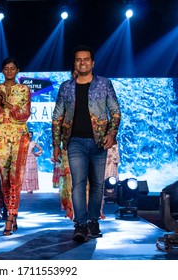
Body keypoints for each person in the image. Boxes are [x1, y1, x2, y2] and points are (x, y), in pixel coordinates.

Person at [52, 45, 121, 242]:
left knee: (98, 185)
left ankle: (93, 220)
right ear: (75, 63)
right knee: (78, 183)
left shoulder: (104, 84)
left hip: (99, 142)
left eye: (86, 59)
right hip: (75, 142)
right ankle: (80, 224)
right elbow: (57, 117)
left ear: (92, 62)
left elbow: (115, 111)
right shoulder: (66, 87)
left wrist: (112, 133)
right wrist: (56, 144)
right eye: (78, 59)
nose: (82, 62)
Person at [0, 57, 31, 235]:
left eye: (13, 68)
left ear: (17, 70)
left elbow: (24, 114)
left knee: (16, 177)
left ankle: (11, 217)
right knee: (4, 178)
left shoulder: (24, 89)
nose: (9, 71)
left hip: (19, 135)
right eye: (6, 68)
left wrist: (6, 102)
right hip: (0, 135)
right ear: (2, 70)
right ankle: (11, 212)